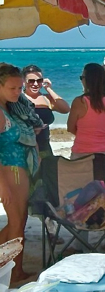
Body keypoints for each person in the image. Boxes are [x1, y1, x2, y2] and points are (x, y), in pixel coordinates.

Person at [0, 63, 39, 283]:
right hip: (10, 172)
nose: (17, 92)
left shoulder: (9, 108)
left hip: (18, 170)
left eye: (19, 88)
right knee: (16, 226)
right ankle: (15, 272)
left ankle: (12, 269)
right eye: (12, 88)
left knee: (18, 222)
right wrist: (3, 184)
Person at [22, 64, 70, 158]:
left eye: (39, 81)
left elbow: (65, 109)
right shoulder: (19, 99)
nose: (35, 84)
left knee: (47, 171)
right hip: (24, 148)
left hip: (44, 147)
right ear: (24, 82)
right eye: (31, 81)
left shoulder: (46, 99)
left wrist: (48, 89)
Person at [67, 63, 105, 159]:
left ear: (88, 80)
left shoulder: (80, 102)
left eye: (82, 77)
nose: (81, 80)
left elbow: (70, 127)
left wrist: (87, 135)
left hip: (83, 151)